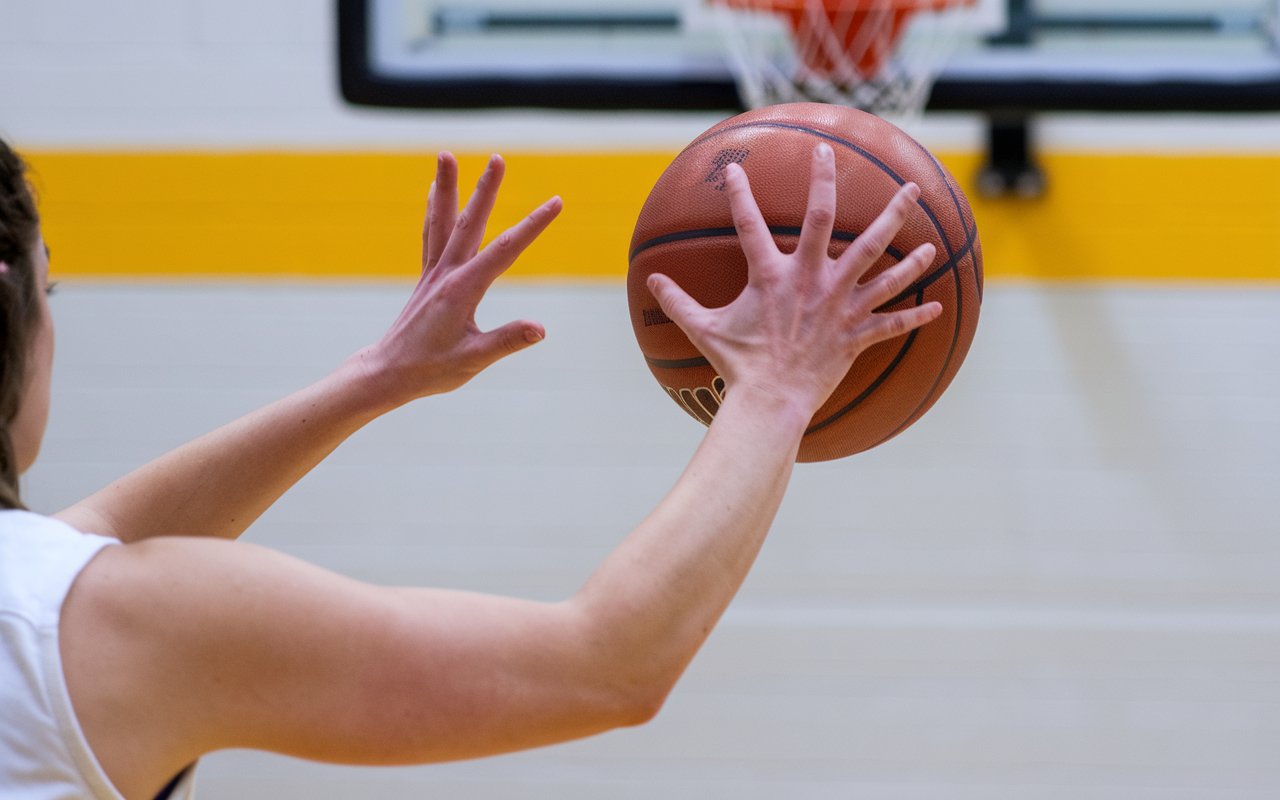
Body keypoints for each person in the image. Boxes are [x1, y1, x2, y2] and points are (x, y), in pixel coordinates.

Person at [0, 136, 941, 800]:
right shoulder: (118, 624)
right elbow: (609, 665)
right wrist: (776, 386)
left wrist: (369, 382)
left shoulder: (58, 601)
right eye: (52, 288)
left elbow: (72, 555)